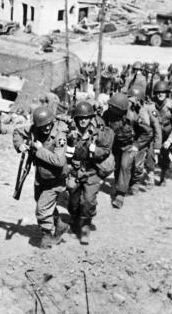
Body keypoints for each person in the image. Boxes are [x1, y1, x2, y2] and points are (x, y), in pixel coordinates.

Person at [12, 106, 68, 249]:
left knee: (42, 209)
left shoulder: (60, 136)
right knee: (42, 203)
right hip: (41, 176)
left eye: (48, 124)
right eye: (42, 126)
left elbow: (58, 161)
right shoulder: (34, 128)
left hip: (56, 179)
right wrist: (20, 146)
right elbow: (18, 131)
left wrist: (39, 149)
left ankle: (46, 236)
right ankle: (60, 225)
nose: (46, 129)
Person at [64, 100, 113, 245]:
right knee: (73, 200)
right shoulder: (70, 131)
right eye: (80, 118)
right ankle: (74, 218)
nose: (83, 121)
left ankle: (85, 225)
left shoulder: (99, 132)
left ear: (91, 117)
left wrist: (94, 150)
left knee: (88, 201)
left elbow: (106, 150)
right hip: (74, 171)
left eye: (86, 118)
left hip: (92, 171)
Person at [102, 92, 153, 208]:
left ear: (121, 109)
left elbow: (148, 132)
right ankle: (117, 184)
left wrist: (137, 145)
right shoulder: (107, 114)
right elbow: (101, 127)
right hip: (115, 145)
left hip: (129, 146)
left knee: (125, 166)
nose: (110, 108)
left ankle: (120, 195)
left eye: (113, 107)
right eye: (110, 106)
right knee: (117, 166)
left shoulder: (133, 116)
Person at [151, 80, 172, 183]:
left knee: (166, 155)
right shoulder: (151, 104)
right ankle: (149, 178)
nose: (160, 94)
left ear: (167, 93)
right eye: (158, 92)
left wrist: (170, 141)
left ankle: (163, 176)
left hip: (167, 134)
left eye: (163, 92)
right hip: (153, 134)